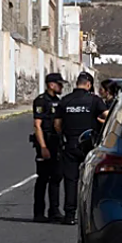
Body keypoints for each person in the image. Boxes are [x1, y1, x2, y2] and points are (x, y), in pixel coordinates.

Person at [55, 72, 105, 225]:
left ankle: (70, 215)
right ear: (89, 85)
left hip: (70, 144)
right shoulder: (94, 100)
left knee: (71, 180)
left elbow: (57, 125)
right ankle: (92, 215)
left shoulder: (65, 101)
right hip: (89, 145)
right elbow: (109, 117)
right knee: (91, 180)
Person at [31, 73, 65, 223]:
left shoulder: (59, 102)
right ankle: (39, 212)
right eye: (59, 84)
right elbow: (37, 125)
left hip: (56, 142)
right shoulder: (41, 101)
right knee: (43, 178)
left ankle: (54, 210)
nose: (61, 87)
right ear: (51, 85)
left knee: (56, 177)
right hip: (45, 141)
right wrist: (43, 146)